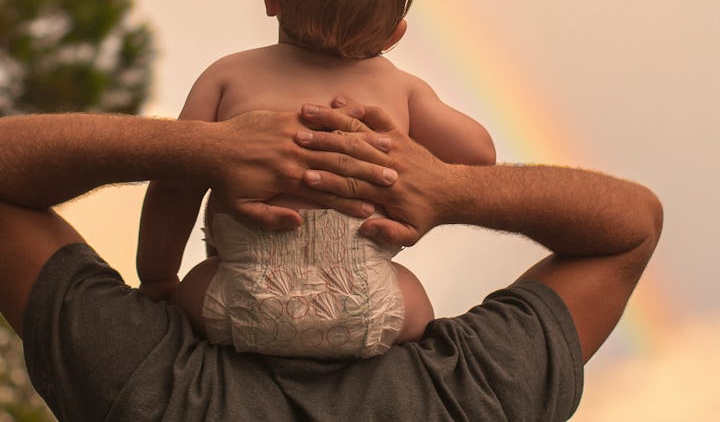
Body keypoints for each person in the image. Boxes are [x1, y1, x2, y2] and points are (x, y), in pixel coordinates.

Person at [0, 103, 662, 421]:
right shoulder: (465, 397)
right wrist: (445, 187)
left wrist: (200, 150)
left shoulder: (154, 388)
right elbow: (631, 226)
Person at [136, 0, 496, 358]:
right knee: (417, 302)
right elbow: (481, 155)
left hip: (239, 301)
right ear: (394, 35)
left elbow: (174, 184)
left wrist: (159, 279)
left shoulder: (227, 76)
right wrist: (403, 148)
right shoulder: (399, 89)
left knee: (193, 290)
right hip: (367, 307)